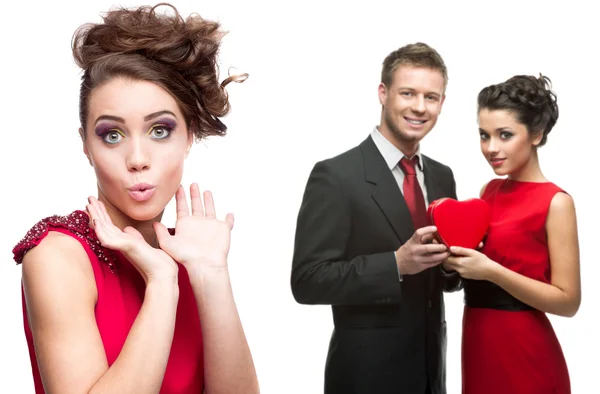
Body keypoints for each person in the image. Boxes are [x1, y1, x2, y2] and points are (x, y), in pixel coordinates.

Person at [11, 4, 259, 394]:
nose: (138, 160)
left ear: (189, 136)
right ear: (85, 146)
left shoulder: (192, 252)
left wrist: (212, 276)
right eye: (112, 135)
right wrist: (161, 283)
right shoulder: (57, 256)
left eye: (160, 130)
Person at [291, 42, 462, 394]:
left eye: (431, 97)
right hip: (367, 377)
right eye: (408, 93)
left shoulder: (443, 176)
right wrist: (396, 264)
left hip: (433, 374)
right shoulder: (336, 175)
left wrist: (453, 265)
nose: (419, 107)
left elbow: (445, 282)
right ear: (383, 94)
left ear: (442, 103)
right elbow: (307, 280)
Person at [444, 74, 581, 394]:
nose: (491, 148)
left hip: (524, 349)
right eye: (484, 135)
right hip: (478, 340)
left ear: (536, 133)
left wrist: (491, 271)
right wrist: (451, 262)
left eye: (504, 135)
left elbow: (568, 301)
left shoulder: (556, 202)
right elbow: (476, 266)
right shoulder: (488, 191)